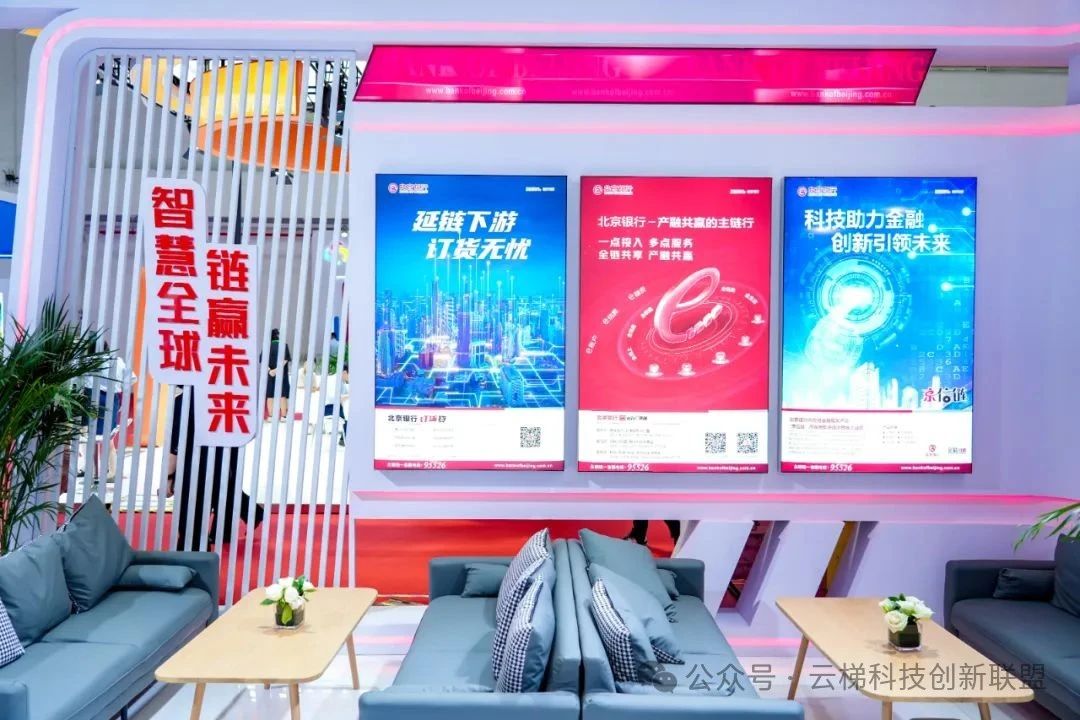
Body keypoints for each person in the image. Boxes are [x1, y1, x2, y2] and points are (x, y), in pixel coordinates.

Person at [168, 387, 264, 549]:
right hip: (225, 446)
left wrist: (168, 476)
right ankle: (246, 516)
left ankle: (244, 517)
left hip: (200, 461)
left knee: (215, 490)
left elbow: (176, 444)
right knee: (223, 485)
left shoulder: (185, 401)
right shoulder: (225, 395)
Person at [264, 328, 292, 420]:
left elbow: (263, 361)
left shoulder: (267, 346)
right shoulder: (284, 345)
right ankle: (283, 416)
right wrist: (277, 370)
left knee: (270, 395)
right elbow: (285, 360)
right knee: (282, 395)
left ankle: (271, 416)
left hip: (270, 375)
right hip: (282, 375)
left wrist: (270, 371)